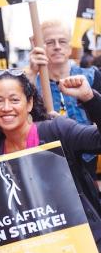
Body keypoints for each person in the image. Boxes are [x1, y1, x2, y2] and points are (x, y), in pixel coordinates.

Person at [0, 69, 101, 252]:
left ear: (29, 103)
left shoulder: (56, 131)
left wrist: (90, 98)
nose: (6, 107)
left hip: (85, 245)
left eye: (14, 100)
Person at [28, 20, 101, 177]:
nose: (57, 46)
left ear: (69, 47)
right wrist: (31, 74)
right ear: (39, 47)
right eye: (49, 42)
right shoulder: (31, 82)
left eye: (62, 41)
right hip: (49, 167)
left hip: (89, 165)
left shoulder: (91, 76)